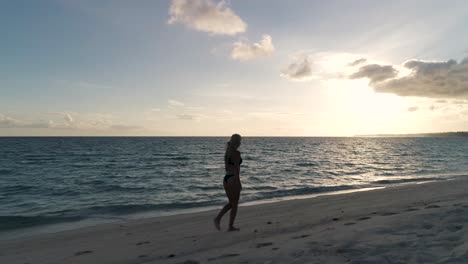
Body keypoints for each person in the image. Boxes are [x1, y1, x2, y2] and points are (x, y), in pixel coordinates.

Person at [214, 134, 243, 231]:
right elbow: (236, 169)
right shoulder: (236, 153)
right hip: (233, 179)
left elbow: (227, 168)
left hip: (226, 178)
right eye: (240, 141)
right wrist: (238, 182)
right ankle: (230, 226)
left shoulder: (227, 152)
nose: (240, 143)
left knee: (232, 203)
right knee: (234, 204)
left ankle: (218, 218)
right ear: (238, 142)